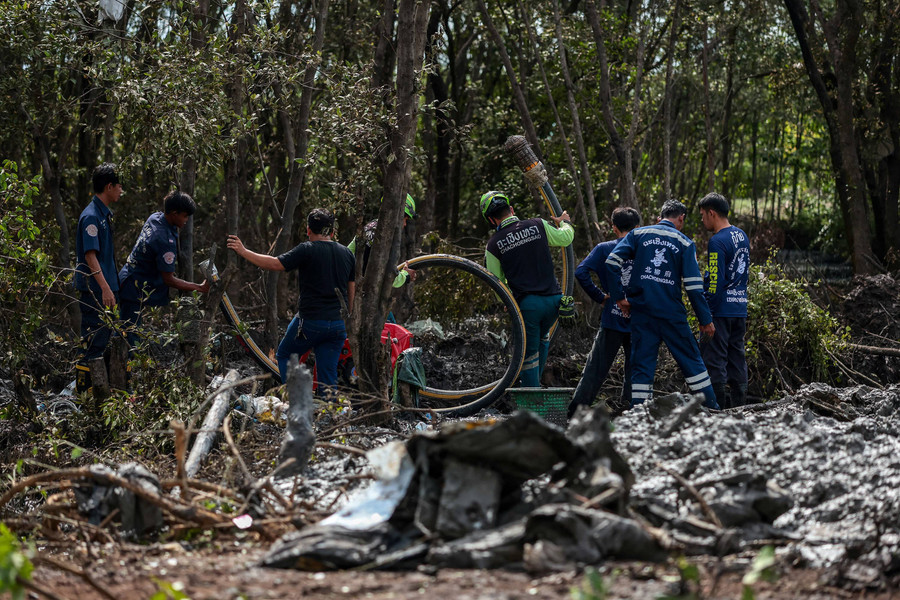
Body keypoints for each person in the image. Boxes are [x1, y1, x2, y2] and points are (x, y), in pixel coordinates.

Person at [605, 199, 719, 409]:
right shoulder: (684, 243)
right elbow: (694, 286)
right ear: (681, 218)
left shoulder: (638, 234)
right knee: (692, 361)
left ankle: (639, 415)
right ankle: (712, 408)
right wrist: (705, 319)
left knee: (642, 366)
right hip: (671, 314)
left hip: (642, 312)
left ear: (660, 216)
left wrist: (619, 297)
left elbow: (612, 262)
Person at [227, 208, 355, 393]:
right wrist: (348, 317)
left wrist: (243, 251)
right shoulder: (347, 253)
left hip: (310, 321)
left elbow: (274, 263)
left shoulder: (307, 249)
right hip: (337, 325)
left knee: (285, 355)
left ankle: (297, 398)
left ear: (308, 230)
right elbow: (352, 287)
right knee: (328, 374)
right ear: (332, 232)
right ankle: (327, 416)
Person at [481, 191, 574, 387]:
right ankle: (537, 390)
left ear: (491, 219)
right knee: (543, 341)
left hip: (528, 306)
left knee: (528, 354)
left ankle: (531, 403)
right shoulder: (537, 224)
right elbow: (565, 238)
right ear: (512, 209)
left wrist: (507, 302)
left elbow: (496, 283)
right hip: (554, 301)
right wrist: (564, 222)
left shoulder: (493, 245)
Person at [567, 207, 642, 418]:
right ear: (638, 227)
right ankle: (632, 412)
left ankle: (576, 413)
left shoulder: (604, 248)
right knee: (635, 368)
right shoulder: (643, 249)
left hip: (612, 318)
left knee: (596, 368)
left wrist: (601, 297)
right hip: (638, 319)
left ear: (614, 227)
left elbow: (581, 272)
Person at [118, 191, 210, 349]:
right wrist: (199, 288)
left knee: (128, 332)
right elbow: (169, 279)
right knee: (128, 338)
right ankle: (122, 372)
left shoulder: (155, 217)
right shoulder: (163, 240)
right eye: (185, 216)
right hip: (132, 289)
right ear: (174, 213)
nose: (187, 220)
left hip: (128, 277)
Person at [698, 192, 750, 408]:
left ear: (712, 213)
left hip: (720, 310)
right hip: (739, 308)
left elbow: (715, 281)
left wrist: (707, 313)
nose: (702, 220)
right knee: (737, 357)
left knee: (715, 359)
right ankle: (741, 407)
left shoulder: (717, 242)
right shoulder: (742, 235)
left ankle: (717, 412)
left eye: (703, 215)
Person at [74, 163, 123, 392]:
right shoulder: (91, 217)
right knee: (93, 344)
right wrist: (104, 288)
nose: (121, 190)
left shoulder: (104, 215)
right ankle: (85, 397)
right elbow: (90, 256)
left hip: (106, 290)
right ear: (109, 186)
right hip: (95, 291)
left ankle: (102, 397)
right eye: (119, 186)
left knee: (105, 342)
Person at [347, 193, 417, 288]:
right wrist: (405, 276)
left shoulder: (374, 226)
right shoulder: (380, 233)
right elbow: (386, 275)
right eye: (405, 219)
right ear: (398, 216)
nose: (405, 224)